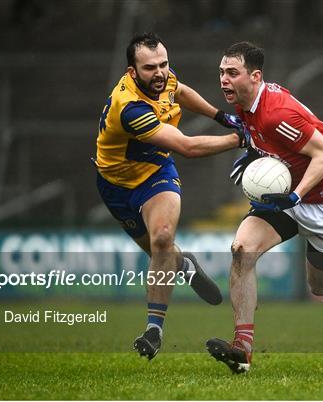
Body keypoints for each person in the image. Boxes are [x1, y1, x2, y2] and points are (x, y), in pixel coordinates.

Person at [206, 42, 323, 374]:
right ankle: (243, 349)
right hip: (286, 196)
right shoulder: (243, 102)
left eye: (232, 73)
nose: (224, 80)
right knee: (242, 250)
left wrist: (296, 196)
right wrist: (254, 156)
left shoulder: (276, 112)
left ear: (255, 76)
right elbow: (266, 140)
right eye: (222, 72)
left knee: (321, 286)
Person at [94, 32, 249, 361]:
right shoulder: (130, 106)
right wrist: (239, 139)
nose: (160, 73)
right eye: (150, 68)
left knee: (162, 240)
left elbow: (179, 91)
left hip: (156, 172)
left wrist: (219, 116)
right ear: (132, 71)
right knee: (161, 254)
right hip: (116, 186)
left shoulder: (161, 78)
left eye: (164, 64)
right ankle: (183, 263)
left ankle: (153, 330)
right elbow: (188, 147)